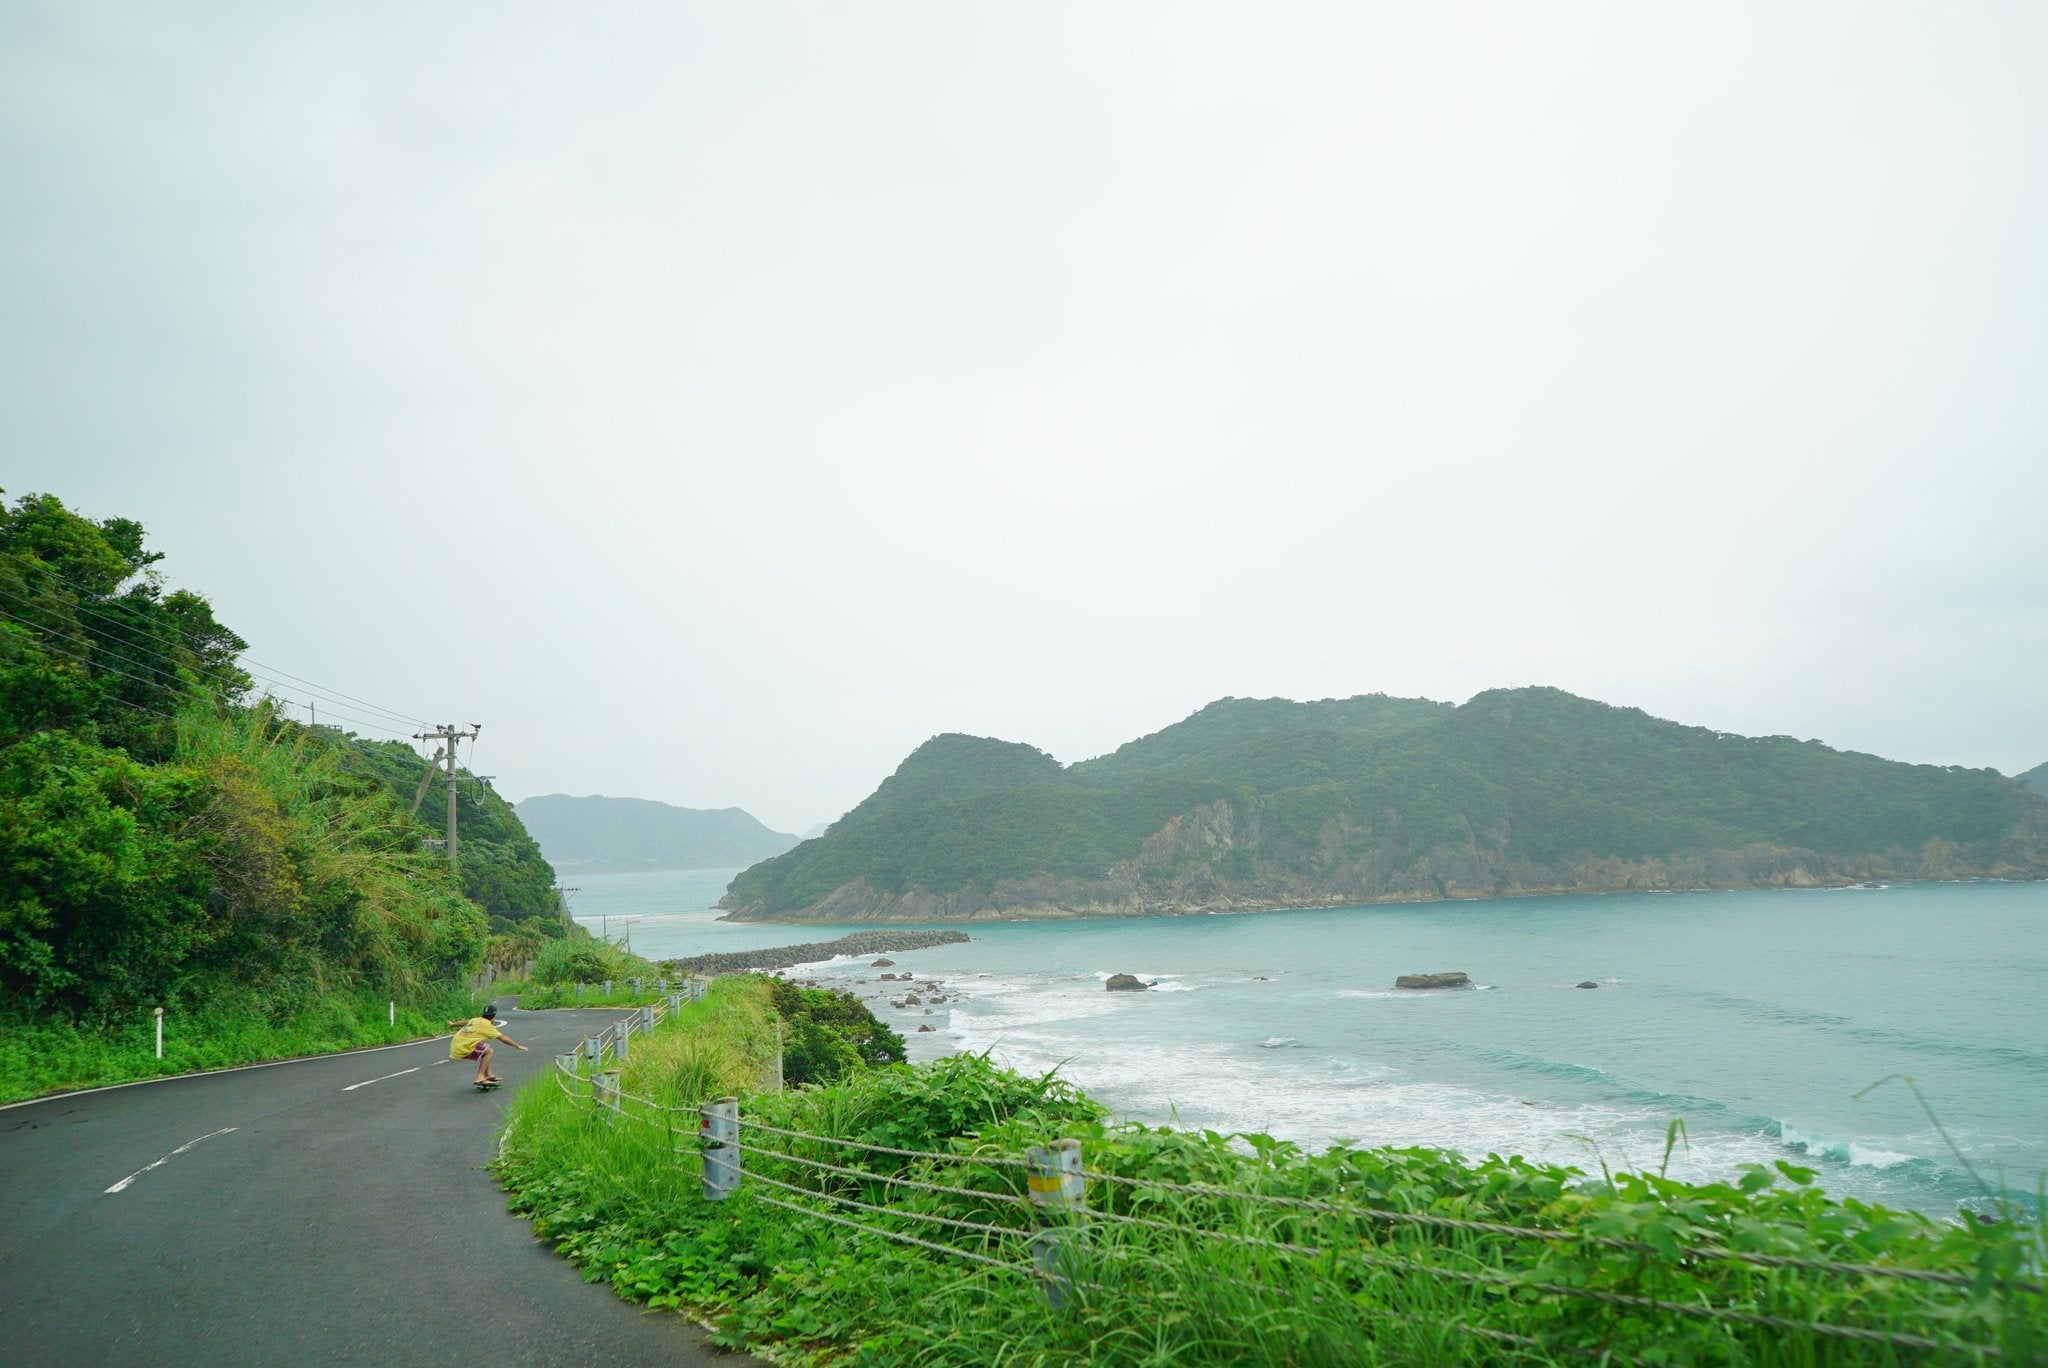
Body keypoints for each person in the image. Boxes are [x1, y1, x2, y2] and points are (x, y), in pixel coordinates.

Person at [447, 1004, 527, 1084]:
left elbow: (464, 1022)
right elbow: (503, 1038)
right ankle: (480, 1077)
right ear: (494, 1016)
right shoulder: (486, 1025)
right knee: (489, 1051)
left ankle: (488, 1074)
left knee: (486, 1048)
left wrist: (452, 1024)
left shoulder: (476, 1020)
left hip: (456, 1046)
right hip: (462, 1049)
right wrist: (518, 1046)